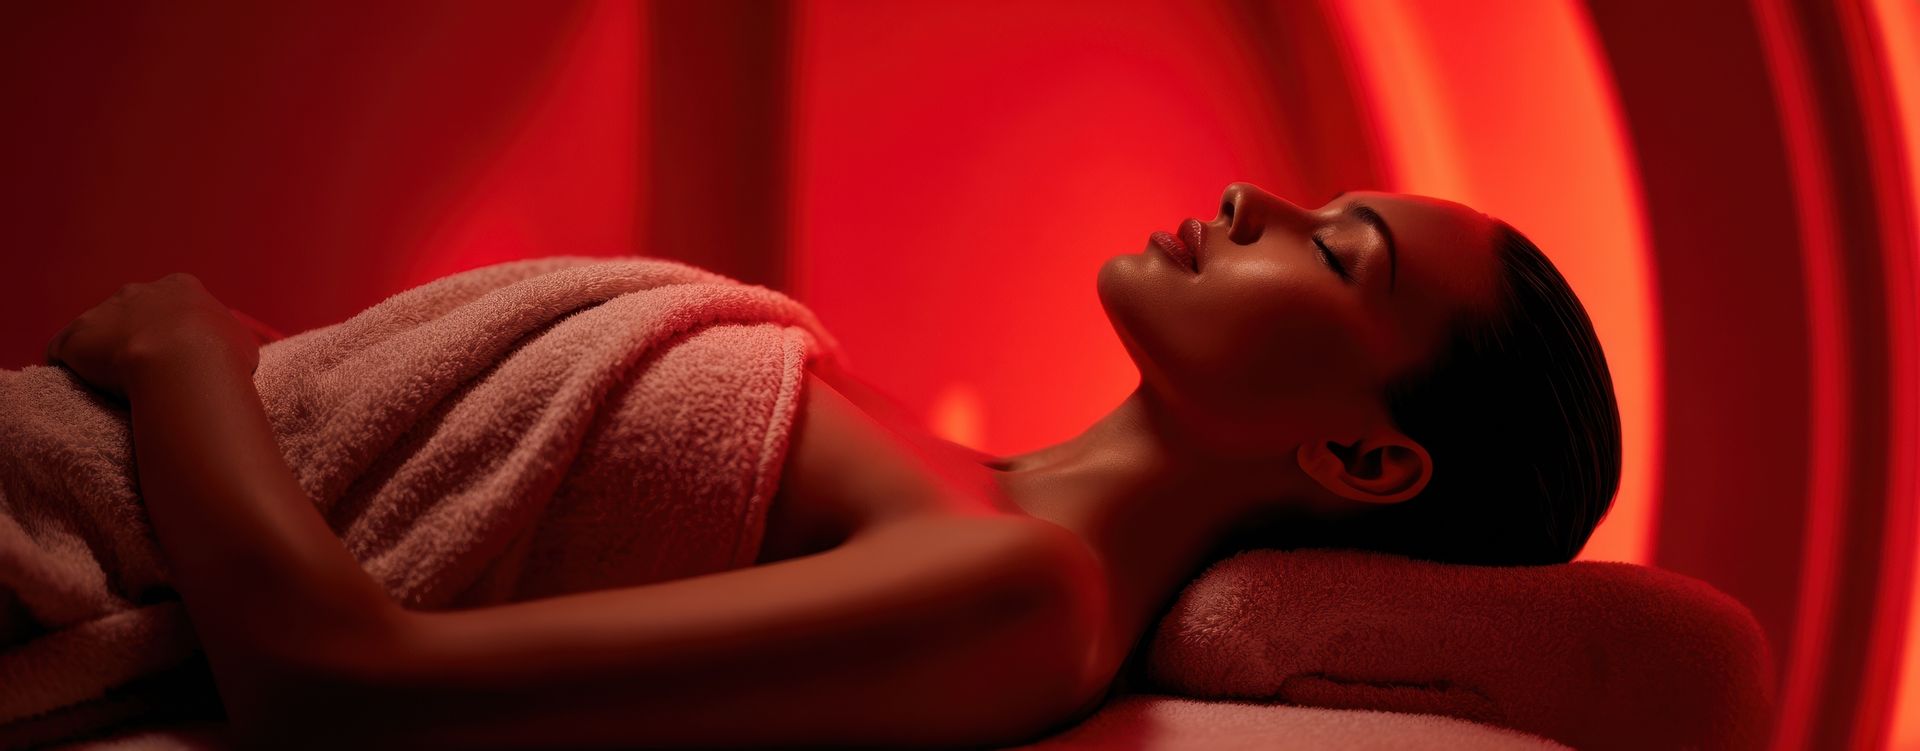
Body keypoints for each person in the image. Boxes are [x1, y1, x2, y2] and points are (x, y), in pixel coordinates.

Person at [42, 181, 1620, 749]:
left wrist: (188, 362)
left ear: (1360, 455)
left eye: (1338, 256)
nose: (1250, 195)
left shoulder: (1022, 596)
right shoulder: (970, 488)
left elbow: (344, 689)